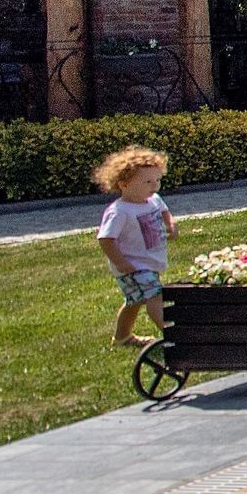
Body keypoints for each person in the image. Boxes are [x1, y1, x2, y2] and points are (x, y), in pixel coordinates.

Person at [94, 146, 174, 349]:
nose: (154, 186)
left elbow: (165, 211)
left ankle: (122, 337)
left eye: (157, 180)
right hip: (133, 266)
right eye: (147, 182)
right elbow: (106, 238)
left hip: (149, 262)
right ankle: (172, 334)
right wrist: (121, 262)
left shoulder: (153, 200)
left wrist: (170, 226)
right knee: (155, 297)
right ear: (124, 184)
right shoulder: (119, 211)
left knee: (134, 300)